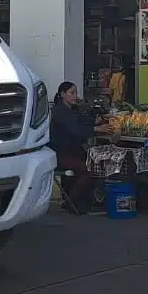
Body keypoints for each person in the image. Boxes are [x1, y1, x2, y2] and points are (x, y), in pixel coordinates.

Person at [49, 82, 97, 213]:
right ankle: (71, 200)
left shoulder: (73, 110)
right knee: (88, 169)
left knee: (93, 163)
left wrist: (97, 121)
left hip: (73, 152)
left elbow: (84, 121)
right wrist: (96, 129)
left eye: (76, 93)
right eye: (72, 93)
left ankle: (81, 200)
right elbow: (75, 131)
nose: (76, 96)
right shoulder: (60, 112)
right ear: (63, 94)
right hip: (61, 154)